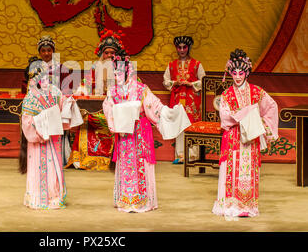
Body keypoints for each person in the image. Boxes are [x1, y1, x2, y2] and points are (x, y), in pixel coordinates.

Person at [103, 54, 191, 213]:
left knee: (141, 164)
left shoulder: (141, 89)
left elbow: (154, 105)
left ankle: (143, 200)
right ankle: (125, 199)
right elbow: (108, 108)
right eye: (115, 73)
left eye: (120, 73)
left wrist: (166, 111)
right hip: (124, 134)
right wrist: (116, 121)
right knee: (125, 164)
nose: (117, 76)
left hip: (139, 132)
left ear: (129, 71)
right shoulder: (113, 91)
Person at [212, 49, 278, 218]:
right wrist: (246, 113)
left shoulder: (257, 92)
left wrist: (261, 124)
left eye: (241, 72)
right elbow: (225, 117)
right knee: (231, 168)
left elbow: (271, 107)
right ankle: (230, 204)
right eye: (234, 73)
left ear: (247, 72)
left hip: (251, 138)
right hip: (234, 137)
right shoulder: (227, 94)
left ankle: (248, 205)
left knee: (249, 171)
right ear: (230, 73)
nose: (238, 76)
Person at [19, 57, 75, 209]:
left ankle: (55, 196)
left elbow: (63, 104)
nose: (45, 79)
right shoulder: (30, 97)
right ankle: (38, 198)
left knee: (54, 167)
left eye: (46, 75)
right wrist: (42, 123)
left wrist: (69, 104)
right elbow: (27, 122)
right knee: (39, 167)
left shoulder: (55, 91)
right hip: (39, 140)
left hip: (54, 139)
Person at [65, 29, 125, 170]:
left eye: (112, 53)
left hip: (115, 110)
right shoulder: (95, 68)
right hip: (96, 108)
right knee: (86, 117)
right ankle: (83, 160)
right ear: (101, 54)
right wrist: (80, 91)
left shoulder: (123, 69)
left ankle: (116, 160)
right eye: (106, 53)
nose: (109, 56)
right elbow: (84, 85)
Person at [163, 35, 205, 164]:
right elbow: (166, 81)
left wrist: (191, 84)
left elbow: (203, 80)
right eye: (179, 47)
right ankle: (181, 155)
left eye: (184, 47)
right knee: (179, 125)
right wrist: (175, 83)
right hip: (177, 98)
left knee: (191, 124)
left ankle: (192, 155)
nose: (182, 50)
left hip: (191, 99)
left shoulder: (196, 64)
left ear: (188, 48)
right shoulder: (172, 65)